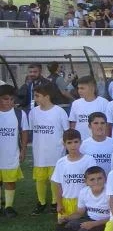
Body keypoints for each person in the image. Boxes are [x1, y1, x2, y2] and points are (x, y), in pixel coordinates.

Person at [45, 166, 109, 231]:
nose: (96, 182)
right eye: (92, 179)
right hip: (89, 219)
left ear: (105, 179)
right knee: (63, 225)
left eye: (99, 178)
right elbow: (80, 213)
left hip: (105, 222)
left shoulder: (110, 192)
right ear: (86, 182)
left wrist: (94, 224)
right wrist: (66, 218)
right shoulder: (84, 192)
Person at [29, 83, 69, 214]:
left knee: (54, 179)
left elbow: (66, 131)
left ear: (47, 96)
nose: (36, 99)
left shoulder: (59, 112)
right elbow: (32, 130)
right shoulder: (33, 112)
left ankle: (54, 202)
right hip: (39, 152)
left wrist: (63, 146)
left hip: (56, 152)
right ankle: (41, 202)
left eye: (37, 96)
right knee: (40, 178)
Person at [51, 129, 97, 222]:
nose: (73, 145)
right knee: (63, 226)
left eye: (76, 142)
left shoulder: (89, 160)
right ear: (64, 144)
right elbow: (58, 185)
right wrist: (59, 203)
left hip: (85, 201)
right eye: (69, 142)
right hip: (67, 201)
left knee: (82, 226)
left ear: (81, 142)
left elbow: (93, 182)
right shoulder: (61, 162)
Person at [0, 84, 29, 217]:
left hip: (11, 153)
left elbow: (24, 132)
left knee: (10, 180)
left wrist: (23, 150)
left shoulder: (19, 113)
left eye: (12, 99)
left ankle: (9, 207)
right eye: (6, 99)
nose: (10, 102)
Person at [68, 76, 110, 142]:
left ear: (92, 88)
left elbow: (107, 125)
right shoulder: (75, 103)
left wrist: (106, 140)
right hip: (80, 142)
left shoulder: (104, 103)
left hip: (98, 141)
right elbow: (73, 123)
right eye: (78, 88)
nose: (79, 91)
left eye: (82, 88)